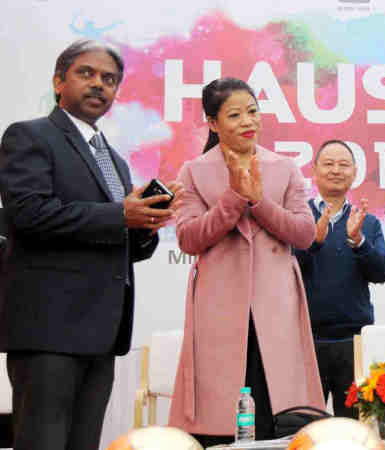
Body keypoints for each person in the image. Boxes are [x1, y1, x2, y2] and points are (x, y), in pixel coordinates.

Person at [0, 39, 180, 450]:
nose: (99, 84)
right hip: (49, 327)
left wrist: (147, 226)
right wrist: (120, 214)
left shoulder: (113, 159)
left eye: (110, 79)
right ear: (59, 81)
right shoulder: (30, 136)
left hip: (101, 330)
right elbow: (29, 214)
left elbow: (118, 240)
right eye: (87, 73)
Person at [168, 78, 325, 447]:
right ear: (212, 122)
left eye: (252, 111)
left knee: (280, 410)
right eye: (234, 115)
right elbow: (189, 238)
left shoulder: (284, 168)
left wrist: (258, 202)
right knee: (220, 413)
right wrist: (234, 198)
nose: (246, 121)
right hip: (220, 307)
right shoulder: (193, 171)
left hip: (276, 303)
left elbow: (304, 233)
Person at [294, 140, 385, 419]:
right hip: (304, 340)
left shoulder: (368, 222)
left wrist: (358, 240)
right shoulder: (298, 217)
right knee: (304, 427)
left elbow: (383, 272)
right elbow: (285, 271)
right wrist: (313, 241)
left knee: (353, 428)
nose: (336, 170)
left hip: (355, 342)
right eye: (328, 164)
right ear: (314, 170)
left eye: (343, 164)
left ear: (354, 172)